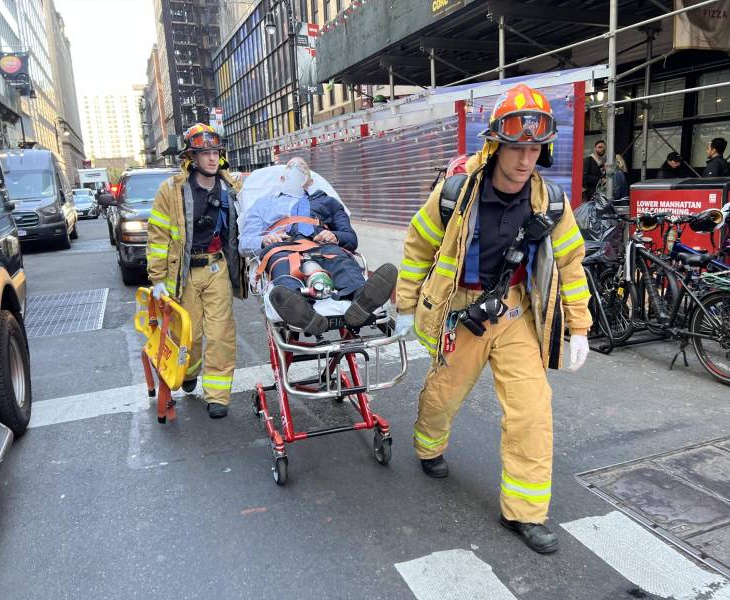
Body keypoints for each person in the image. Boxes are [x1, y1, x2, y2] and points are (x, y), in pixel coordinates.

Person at [395, 83, 592, 555]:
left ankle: (524, 513)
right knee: (443, 395)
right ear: (496, 144)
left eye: (534, 148)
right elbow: (419, 247)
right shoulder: (457, 194)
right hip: (462, 312)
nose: (525, 159)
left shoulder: (551, 203)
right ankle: (428, 445)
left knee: (531, 410)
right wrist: (406, 306)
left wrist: (580, 327)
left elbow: (570, 264)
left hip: (515, 313)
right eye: (517, 147)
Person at [146, 123, 245, 419]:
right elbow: (158, 236)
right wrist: (158, 279)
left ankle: (217, 395)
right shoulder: (171, 191)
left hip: (217, 267)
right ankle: (189, 371)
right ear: (192, 157)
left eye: (216, 152)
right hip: (186, 272)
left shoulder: (231, 187)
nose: (213, 159)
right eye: (206, 153)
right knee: (191, 334)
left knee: (220, 333)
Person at [239, 157, 397, 335]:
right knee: (284, 275)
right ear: (282, 179)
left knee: (342, 262)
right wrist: (264, 239)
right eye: (292, 169)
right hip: (282, 248)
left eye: (302, 170)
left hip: (323, 246)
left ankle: (361, 302)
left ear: (310, 181)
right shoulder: (263, 205)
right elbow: (245, 242)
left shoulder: (328, 203)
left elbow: (351, 238)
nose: (296, 172)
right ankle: (303, 313)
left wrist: (335, 236)